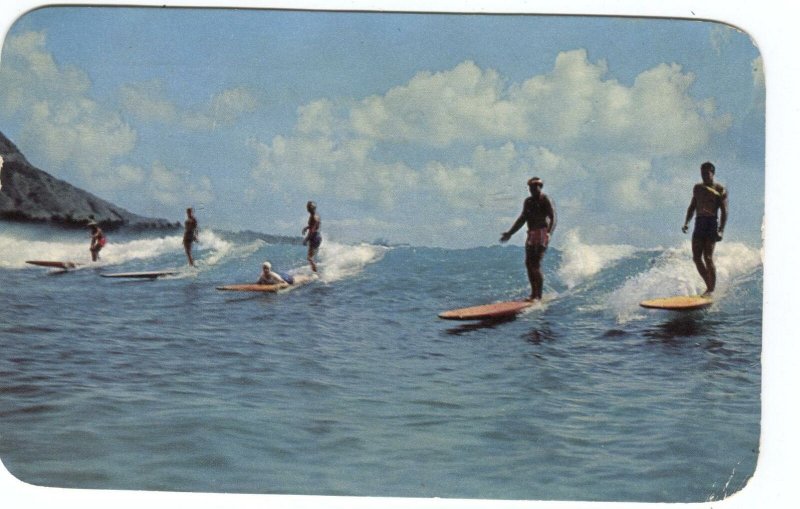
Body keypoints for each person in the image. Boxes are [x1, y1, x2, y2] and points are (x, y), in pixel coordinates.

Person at [500, 177, 557, 301]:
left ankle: (539, 296)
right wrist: (510, 233)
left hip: (542, 233)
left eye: (535, 187)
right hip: (531, 233)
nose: (532, 190)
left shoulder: (545, 199)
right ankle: (533, 294)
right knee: (528, 264)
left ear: (540, 187)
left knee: (535, 264)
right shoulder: (528, 202)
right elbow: (522, 219)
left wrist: (549, 233)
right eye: (530, 188)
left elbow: (553, 218)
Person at [682, 161, 728, 296]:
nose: (704, 176)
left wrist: (721, 230)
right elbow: (692, 207)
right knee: (696, 258)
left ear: (713, 173)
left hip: (711, 223)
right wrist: (686, 222)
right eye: (702, 173)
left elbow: (724, 211)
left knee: (707, 257)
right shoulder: (697, 188)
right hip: (699, 222)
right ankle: (709, 286)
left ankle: (710, 290)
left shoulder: (720, 189)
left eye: (707, 173)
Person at [302, 201, 322, 272]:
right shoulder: (316, 215)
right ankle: (315, 271)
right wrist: (306, 228)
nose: (307, 208)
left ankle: (315, 273)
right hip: (318, 236)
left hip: (314, 237)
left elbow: (312, 230)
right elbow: (313, 226)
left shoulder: (313, 217)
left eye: (308, 207)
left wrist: (306, 239)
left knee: (310, 258)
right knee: (311, 257)